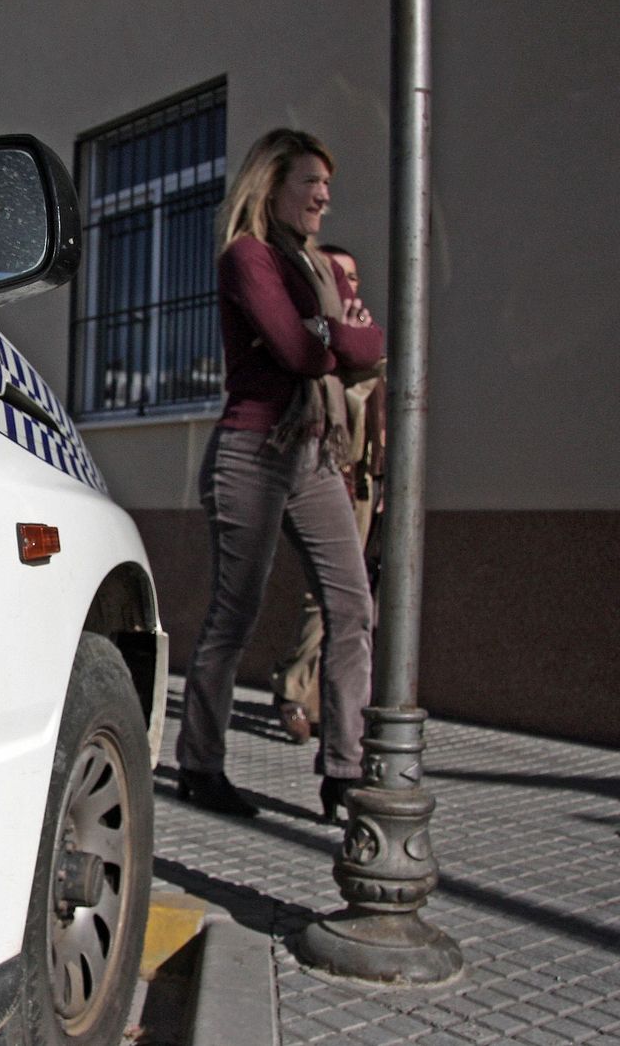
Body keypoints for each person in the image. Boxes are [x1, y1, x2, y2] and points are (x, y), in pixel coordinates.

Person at [175, 129, 384, 822]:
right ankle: (200, 766)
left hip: (317, 453)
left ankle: (344, 771)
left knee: (352, 606)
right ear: (273, 187)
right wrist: (332, 335)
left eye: (328, 184)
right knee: (233, 618)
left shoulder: (318, 265)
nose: (324, 194)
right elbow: (301, 349)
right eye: (310, 182)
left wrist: (332, 335)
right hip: (256, 449)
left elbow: (371, 347)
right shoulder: (248, 258)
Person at [269, 244, 387, 745]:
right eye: (342, 276)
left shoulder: (365, 334)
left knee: (356, 597)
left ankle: (321, 704)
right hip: (326, 474)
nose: (352, 286)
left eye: (357, 277)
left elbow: (381, 409)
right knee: (329, 594)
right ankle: (294, 689)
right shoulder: (318, 334)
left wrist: (382, 481)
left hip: (364, 478)